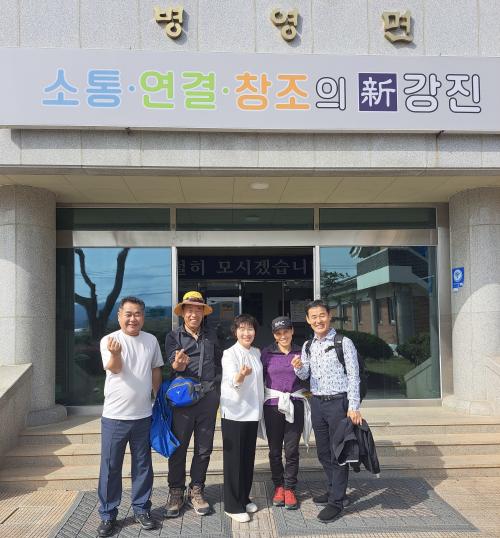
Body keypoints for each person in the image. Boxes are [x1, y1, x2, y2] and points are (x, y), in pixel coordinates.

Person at [97, 296, 164, 537]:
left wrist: (158, 400)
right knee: (110, 467)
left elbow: (155, 369)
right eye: (128, 314)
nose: (133, 319)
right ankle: (108, 515)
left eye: (137, 314)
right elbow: (115, 368)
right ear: (119, 316)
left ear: (143, 317)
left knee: (143, 466)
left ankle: (142, 509)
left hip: (143, 415)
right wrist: (115, 353)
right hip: (114, 417)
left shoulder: (151, 340)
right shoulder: (110, 340)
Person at [291, 299, 362, 523]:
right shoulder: (308, 345)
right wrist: (298, 367)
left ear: (329, 316)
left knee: (338, 452)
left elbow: (354, 376)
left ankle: (337, 502)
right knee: (323, 452)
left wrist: (353, 406)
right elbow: (305, 375)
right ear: (307, 320)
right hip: (317, 403)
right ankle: (334, 491)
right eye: (313, 317)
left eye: (322, 315)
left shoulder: (344, 342)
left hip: (339, 403)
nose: (318, 320)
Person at [164, 291, 222, 518]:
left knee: (204, 448)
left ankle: (196, 489)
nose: (194, 314)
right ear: (183, 313)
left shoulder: (212, 335)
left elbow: (220, 364)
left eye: (198, 310)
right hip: (183, 401)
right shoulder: (173, 337)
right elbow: (174, 366)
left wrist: (218, 389)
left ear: (203, 313)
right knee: (179, 447)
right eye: (189, 310)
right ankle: (176, 491)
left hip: (208, 399)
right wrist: (178, 365)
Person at [260, 316, 311, 510]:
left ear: (292, 331)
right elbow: (257, 379)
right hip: (272, 406)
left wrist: (301, 368)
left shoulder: (301, 352)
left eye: (286, 331)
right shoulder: (267, 353)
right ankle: (278, 486)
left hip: (295, 403)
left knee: (291, 450)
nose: (283, 336)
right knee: (274, 450)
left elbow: (308, 379)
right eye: (278, 333)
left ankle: (290, 488)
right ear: (274, 335)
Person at [220, 314, 264, 523]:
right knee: (234, 461)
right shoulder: (229, 354)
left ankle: (244, 498)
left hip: (252, 412)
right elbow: (233, 381)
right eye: (242, 329)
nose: (247, 333)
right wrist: (241, 375)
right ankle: (232, 505)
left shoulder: (256, 352)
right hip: (234, 413)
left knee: (247, 459)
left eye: (250, 329)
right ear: (235, 332)